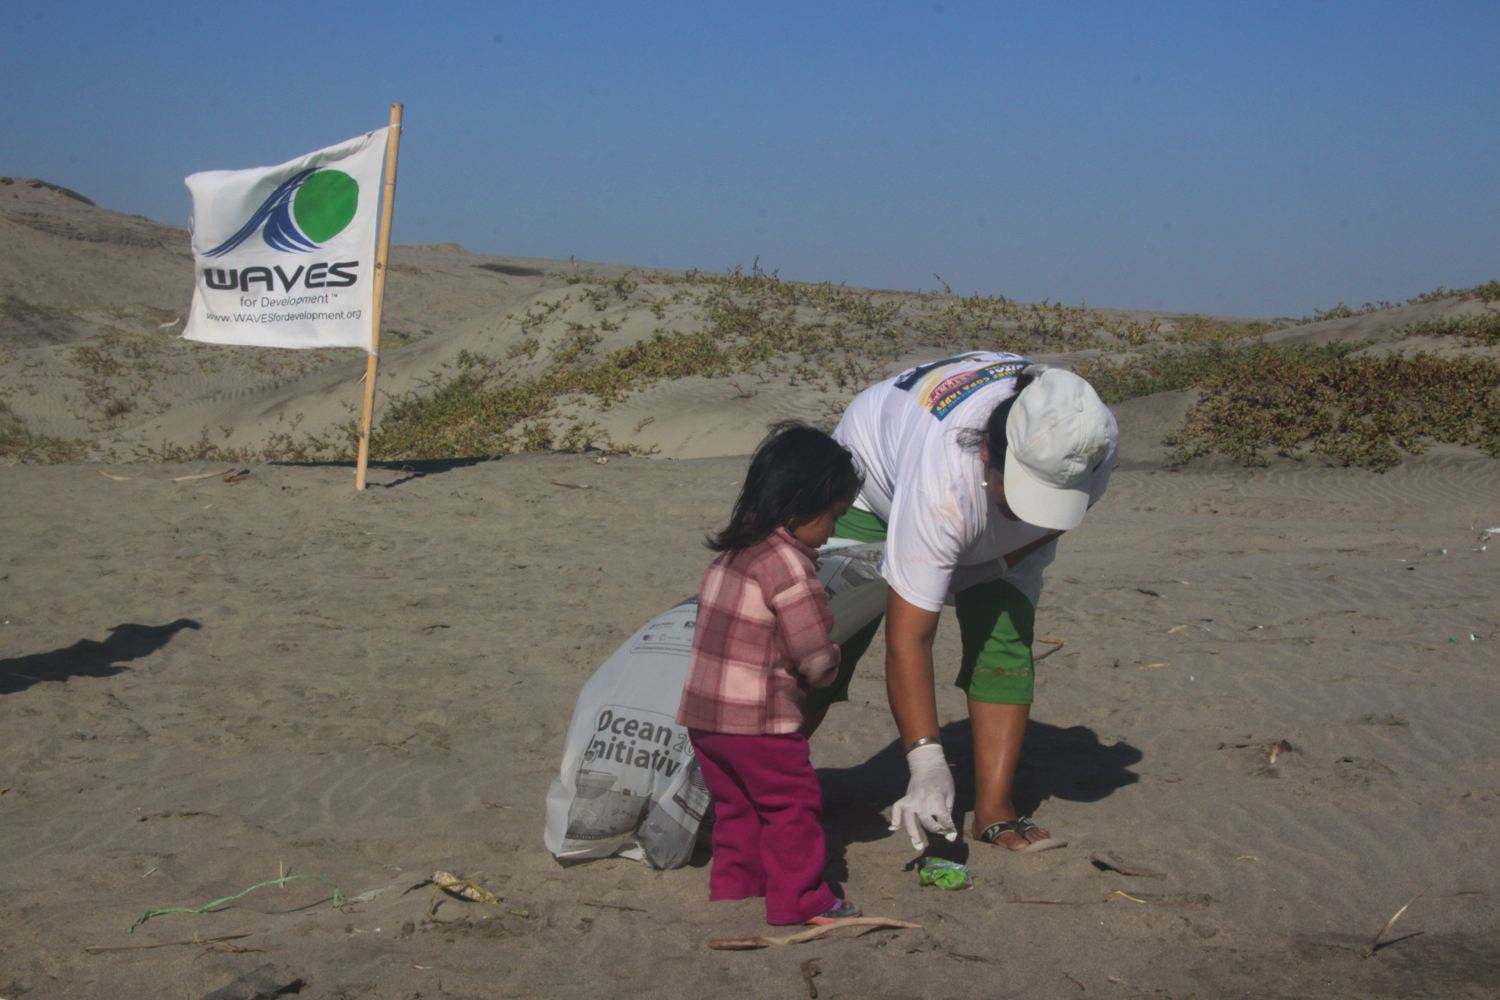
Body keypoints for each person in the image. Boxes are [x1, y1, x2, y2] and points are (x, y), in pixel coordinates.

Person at [806, 351, 1118, 854]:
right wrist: (926, 763)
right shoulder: (943, 482)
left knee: (1005, 637)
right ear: (989, 456)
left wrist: (993, 565)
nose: (1021, 510)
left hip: (968, 493)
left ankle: (995, 808)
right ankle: (769, 789)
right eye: (1015, 493)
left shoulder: (1087, 440)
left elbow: (1061, 517)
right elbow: (910, 638)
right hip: (872, 478)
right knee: (826, 642)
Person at [677, 421, 865, 926]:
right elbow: (811, 653)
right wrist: (829, 668)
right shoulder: (791, 568)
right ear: (803, 505)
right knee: (792, 807)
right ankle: (802, 899)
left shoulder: (733, 556)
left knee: (736, 806)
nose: (833, 530)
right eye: (835, 516)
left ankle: (736, 885)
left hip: (704, 717)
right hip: (759, 721)